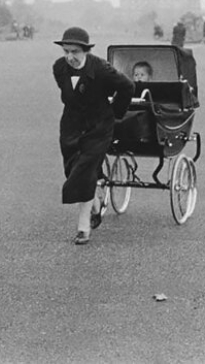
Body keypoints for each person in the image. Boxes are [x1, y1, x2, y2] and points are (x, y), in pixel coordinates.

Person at [52, 27, 134, 245]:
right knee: (72, 168)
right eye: (66, 51)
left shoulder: (101, 68)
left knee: (84, 170)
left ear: (85, 51)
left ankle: (83, 226)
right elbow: (69, 97)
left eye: (75, 52)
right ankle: (96, 203)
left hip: (98, 127)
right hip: (71, 125)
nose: (70, 57)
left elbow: (127, 86)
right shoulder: (59, 68)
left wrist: (116, 113)